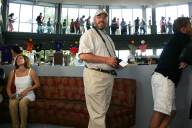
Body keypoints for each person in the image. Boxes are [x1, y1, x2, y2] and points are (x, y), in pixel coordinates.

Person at [79, 9, 118, 128]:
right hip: (95, 77)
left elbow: (111, 58)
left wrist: (119, 63)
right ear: (94, 20)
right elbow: (83, 56)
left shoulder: (108, 37)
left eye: (104, 17)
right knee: (98, 115)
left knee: (99, 114)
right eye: (99, 17)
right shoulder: (89, 34)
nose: (102, 19)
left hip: (108, 77)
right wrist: (107, 60)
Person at [150, 17, 192, 128]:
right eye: (189, 25)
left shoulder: (178, 39)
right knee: (160, 111)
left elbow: (185, 53)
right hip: (165, 78)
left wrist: (186, 59)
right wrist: (187, 59)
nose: (191, 27)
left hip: (162, 78)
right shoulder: (183, 38)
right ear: (183, 29)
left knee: (171, 112)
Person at [6, 54, 40, 128]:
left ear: (25, 60)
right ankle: (15, 125)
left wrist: (27, 89)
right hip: (18, 94)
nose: (18, 60)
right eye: (17, 59)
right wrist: (10, 95)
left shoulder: (31, 71)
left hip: (29, 94)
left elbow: (37, 84)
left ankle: (23, 126)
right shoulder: (13, 72)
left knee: (22, 103)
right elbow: (8, 87)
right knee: (12, 103)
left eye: (21, 58)